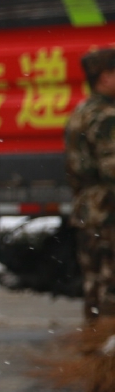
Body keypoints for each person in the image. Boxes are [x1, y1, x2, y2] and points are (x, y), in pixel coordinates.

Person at [66, 45, 115, 321]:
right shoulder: (106, 116)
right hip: (108, 213)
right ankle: (107, 357)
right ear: (104, 77)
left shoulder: (83, 111)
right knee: (110, 292)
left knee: (95, 289)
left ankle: (95, 350)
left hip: (89, 211)